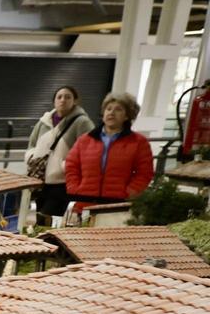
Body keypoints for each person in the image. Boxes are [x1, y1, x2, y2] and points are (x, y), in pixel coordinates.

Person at [64, 91, 153, 215]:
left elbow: (144, 173)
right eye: (108, 109)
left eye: (118, 109)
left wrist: (130, 192)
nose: (111, 112)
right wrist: (74, 189)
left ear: (127, 116)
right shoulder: (85, 140)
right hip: (84, 203)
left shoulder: (139, 143)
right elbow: (71, 166)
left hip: (117, 204)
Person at [26, 86, 95, 220]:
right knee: (40, 220)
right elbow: (31, 144)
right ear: (54, 101)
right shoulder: (43, 122)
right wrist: (31, 157)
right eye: (59, 97)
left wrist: (65, 166)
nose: (63, 100)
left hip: (63, 183)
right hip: (41, 180)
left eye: (68, 97)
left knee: (50, 219)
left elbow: (89, 151)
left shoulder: (82, 122)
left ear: (75, 101)